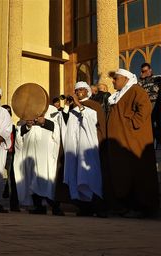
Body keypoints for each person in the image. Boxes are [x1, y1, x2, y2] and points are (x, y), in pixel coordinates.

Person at [107, 68, 159, 218]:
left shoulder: (136, 90)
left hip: (133, 141)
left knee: (138, 173)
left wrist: (130, 125)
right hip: (122, 143)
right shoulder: (117, 96)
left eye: (116, 78)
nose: (113, 81)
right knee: (123, 174)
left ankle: (142, 208)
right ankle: (125, 206)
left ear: (125, 79)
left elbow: (145, 108)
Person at [60, 81, 106, 217]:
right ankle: (84, 208)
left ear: (87, 92)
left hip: (88, 147)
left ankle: (97, 207)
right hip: (75, 149)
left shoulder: (94, 105)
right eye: (77, 90)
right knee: (76, 176)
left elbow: (92, 121)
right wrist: (68, 106)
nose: (79, 92)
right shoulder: (74, 108)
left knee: (90, 175)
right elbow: (66, 126)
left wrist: (79, 104)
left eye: (82, 89)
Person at [13, 105, 64, 216]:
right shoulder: (26, 112)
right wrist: (27, 125)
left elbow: (57, 129)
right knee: (32, 179)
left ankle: (55, 207)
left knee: (48, 178)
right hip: (30, 154)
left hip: (46, 155)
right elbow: (19, 133)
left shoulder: (52, 110)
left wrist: (44, 121)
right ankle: (39, 206)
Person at [1, 105, 20, 211]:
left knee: (11, 179)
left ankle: (14, 204)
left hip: (10, 154)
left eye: (9, 112)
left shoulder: (13, 127)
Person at [138, 63, 161, 146]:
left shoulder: (157, 78)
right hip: (146, 105)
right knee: (149, 124)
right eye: (143, 71)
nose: (145, 72)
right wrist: (141, 79)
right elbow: (137, 90)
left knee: (157, 123)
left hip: (156, 103)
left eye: (146, 70)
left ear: (150, 70)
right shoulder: (141, 82)